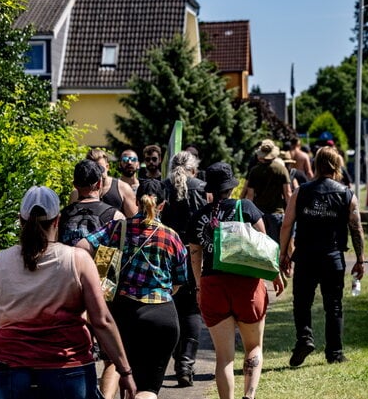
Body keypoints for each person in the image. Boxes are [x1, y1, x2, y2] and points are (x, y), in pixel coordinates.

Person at [0, 186, 137, 399]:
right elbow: (101, 321)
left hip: (11, 373)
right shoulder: (78, 260)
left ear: (20, 220)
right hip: (68, 371)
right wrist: (124, 370)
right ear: (57, 220)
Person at [77, 180, 188, 399]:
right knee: (148, 389)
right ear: (163, 205)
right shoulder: (172, 237)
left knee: (129, 381)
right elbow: (179, 280)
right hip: (162, 315)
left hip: (124, 313)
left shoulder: (117, 228)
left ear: (136, 202)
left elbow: (82, 246)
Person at [187, 162, 284, 399]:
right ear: (231, 187)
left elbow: (195, 254)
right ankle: (249, 396)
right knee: (253, 346)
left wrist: (200, 285)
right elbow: (264, 245)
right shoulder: (246, 207)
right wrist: (276, 273)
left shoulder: (200, 215)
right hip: (246, 284)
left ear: (209, 189)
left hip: (212, 285)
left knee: (223, 357)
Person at [279, 146, 366, 366]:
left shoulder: (301, 192)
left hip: (306, 257)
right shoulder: (347, 195)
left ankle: (304, 338)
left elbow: (287, 224)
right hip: (333, 257)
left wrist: (283, 254)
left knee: (301, 302)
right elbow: (357, 229)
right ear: (337, 166)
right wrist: (360, 259)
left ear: (316, 165)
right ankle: (334, 353)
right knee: (334, 305)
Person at [59, 159, 126, 399]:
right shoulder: (115, 215)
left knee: (76, 353)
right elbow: (117, 260)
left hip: (65, 293)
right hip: (104, 293)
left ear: (75, 184)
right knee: (111, 357)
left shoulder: (61, 215)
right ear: (100, 182)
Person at [161, 151, 207, 387]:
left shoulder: (163, 187)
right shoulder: (200, 187)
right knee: (191, 310)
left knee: (170, 307)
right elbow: (204, 223)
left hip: (165, 254)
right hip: (192, 254)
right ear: (194, 168)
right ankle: (185, 364)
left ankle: (174, 358)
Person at [244, 139, 292, 243]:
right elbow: (288, 194)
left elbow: (250, 196)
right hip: (276, 213)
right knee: (276, 245)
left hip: (259, 215)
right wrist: (291, 213)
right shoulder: (281, 169)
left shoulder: (254, 171)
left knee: (261, 246)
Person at [71, 148, 138, 218]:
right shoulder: (77, 193)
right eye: (92, 169)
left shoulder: (123, 188)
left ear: (107, 167)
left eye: (99, 167)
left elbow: (134, 221)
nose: (96, 172)